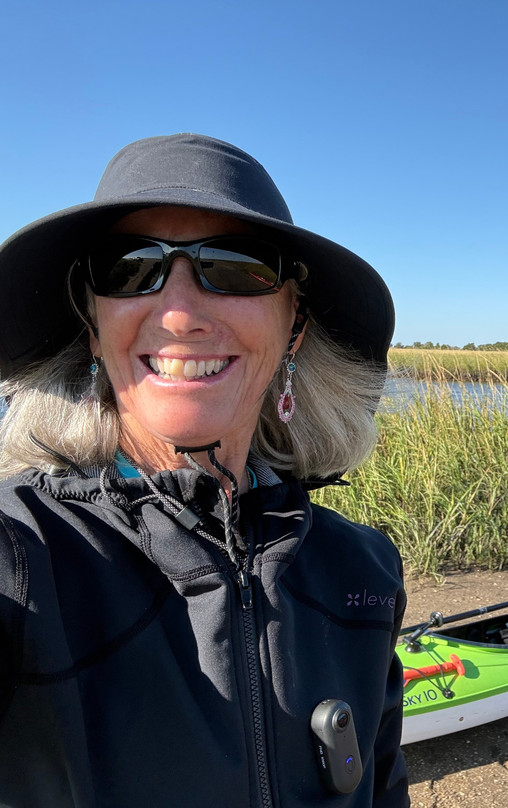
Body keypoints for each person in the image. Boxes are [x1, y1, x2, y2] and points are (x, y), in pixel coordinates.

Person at [0, 134, 409, 806]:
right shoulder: (24, 555)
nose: (181, 313)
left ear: (294, 325)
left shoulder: (364, 572)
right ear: (93, 321)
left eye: (238, 267)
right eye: (129, 269)